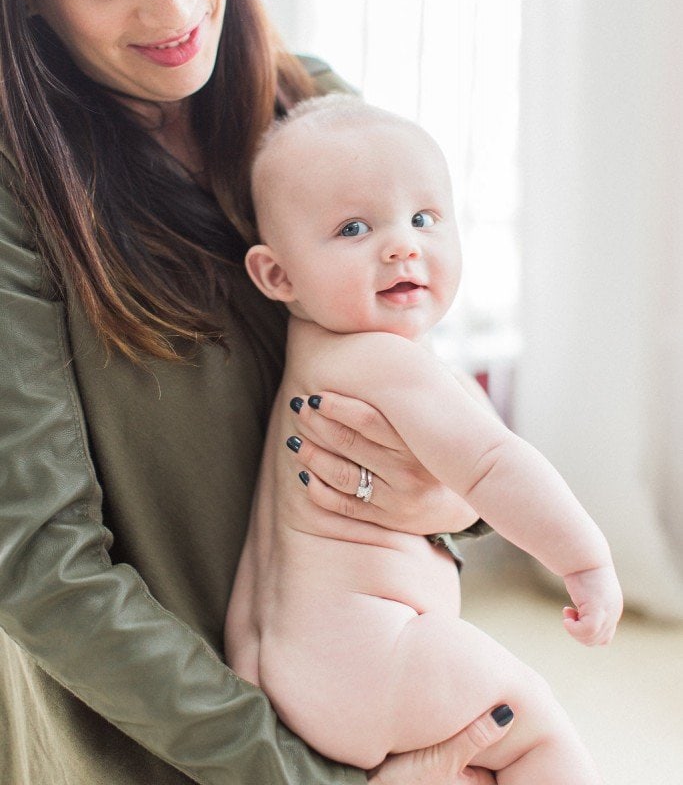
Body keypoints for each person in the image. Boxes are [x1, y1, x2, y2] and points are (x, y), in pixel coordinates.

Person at [0, 0, 516, 783]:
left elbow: (421, 396)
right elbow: (42, 566)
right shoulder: (22, 199)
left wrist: (448, 502)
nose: (173, 3)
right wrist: (292, 772)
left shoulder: (312, 109)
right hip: (156, 745)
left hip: (367, 699)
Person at [226, 95, 624, 782]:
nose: (401, 244)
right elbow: (494, 463)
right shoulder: (386, 362)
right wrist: (584, 560)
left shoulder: (310, 351)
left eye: (423, 219)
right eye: (353, 228)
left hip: (269, 662)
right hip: (374, 649)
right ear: (278, 275)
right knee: (534, 733)